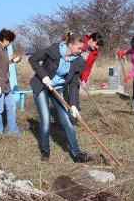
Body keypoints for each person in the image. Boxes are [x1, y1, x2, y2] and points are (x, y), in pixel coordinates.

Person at [29, 32, 90, 163]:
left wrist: (73, 104)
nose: (81, 50)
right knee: (45, 120)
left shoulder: (77, 61)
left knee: (66, 120)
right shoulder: (54, 50)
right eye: (79, 48)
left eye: (82, 48)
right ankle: (45, 151)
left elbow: (74, 84)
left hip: (57, 88)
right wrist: (44, 76)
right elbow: (33, 59)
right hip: (42, 85)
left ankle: (76, 154)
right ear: (70, 45)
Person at [0, 29, 21, 136]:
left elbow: (3, 63)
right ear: (4, 39)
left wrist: (12, 60)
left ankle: (13, 130)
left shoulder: (4, 49)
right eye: (9, 40)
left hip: (6, 84)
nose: (10, 43)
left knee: (11, 106)